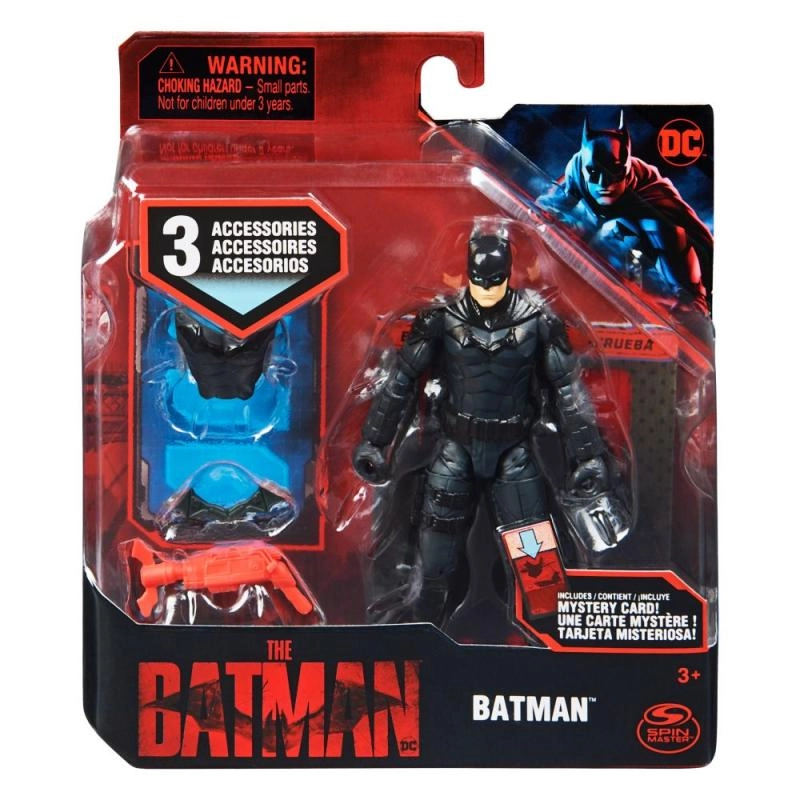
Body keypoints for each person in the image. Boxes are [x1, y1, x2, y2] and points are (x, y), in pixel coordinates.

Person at [353, 227, 628, 625]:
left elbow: (568, 393)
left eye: (495, 281)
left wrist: (587, 457)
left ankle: (546, 634)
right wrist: (375, 443)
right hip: (455, 451)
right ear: (468, 275)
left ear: (508, 274)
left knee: (538, 570)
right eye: (480, 281)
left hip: (514, 453)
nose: (486, 290)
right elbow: (401, 381)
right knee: (434, 565)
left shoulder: (538, 321)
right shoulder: (441, 319)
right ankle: (423, 632)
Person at [537, 114, 713, 312]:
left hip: (645, 256)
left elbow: (682, 230)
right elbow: (544, 207)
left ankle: (690, 299)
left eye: (615, 171)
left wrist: (694, 295)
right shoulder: (576, 168)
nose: (604, 183)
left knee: (632, 227)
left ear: (627, 169)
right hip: (592, 252)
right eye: (594, 173)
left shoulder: (648, 184)